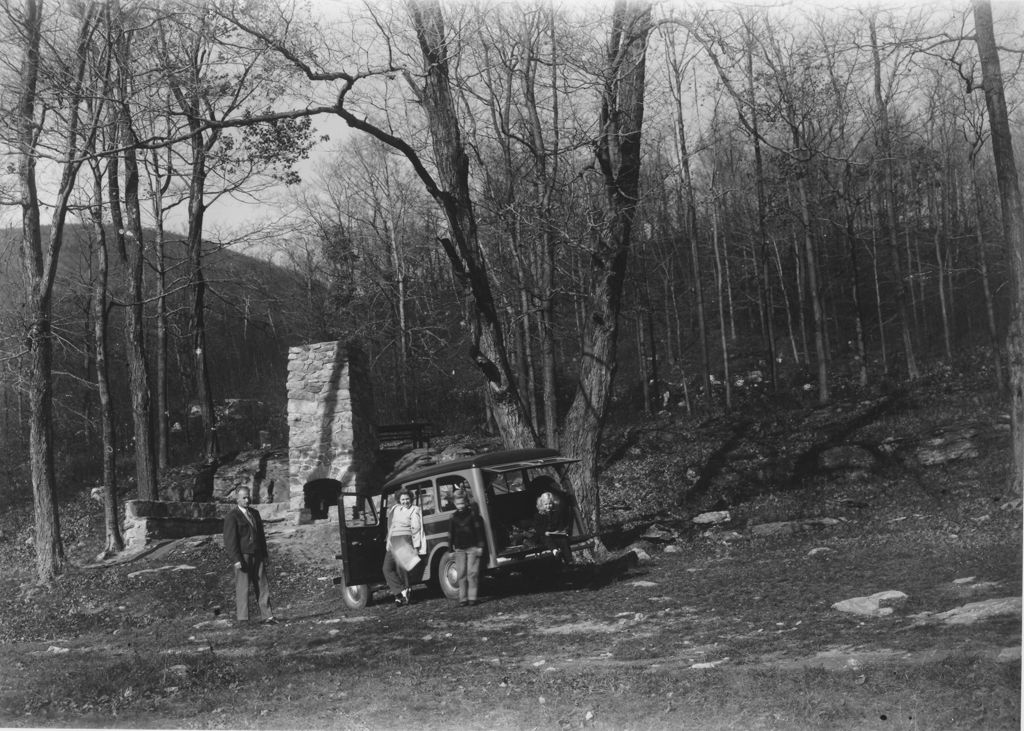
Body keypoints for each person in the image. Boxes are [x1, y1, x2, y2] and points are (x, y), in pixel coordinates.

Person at [223, 487, 277, 625]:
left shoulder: (255, 513)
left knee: (262, 585)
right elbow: (230, 541)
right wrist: (236, 559)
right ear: (237, 499)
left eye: (248, 497)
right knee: (243, 587)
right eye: (244, 498)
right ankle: (243, 619)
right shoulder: (232, 516)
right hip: (243, 556)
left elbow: (261, 537)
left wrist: (264, 554)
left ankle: (267, 616)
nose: (247, 500)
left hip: (257, 554)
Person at [382, 488, 425, 607]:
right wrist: (388, 540)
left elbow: (416, 529)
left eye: (407, 499)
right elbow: (392, 525)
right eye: (403, 499)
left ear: (411, 499)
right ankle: (400, 591)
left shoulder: (414, 510)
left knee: (402, 568)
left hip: (404, 539)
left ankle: (406, 594)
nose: (405, 501)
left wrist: (416, 546)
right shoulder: (395, 509)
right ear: (399, 500)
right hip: (393, 540)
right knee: (387, 568)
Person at [447, 490, 486, 606]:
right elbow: (450, 534)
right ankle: (463, 599)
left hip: (472, 548)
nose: (461, 506)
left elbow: (479, 530)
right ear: (454, 504)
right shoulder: (453, 517)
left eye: (463, 503)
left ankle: (472, 598)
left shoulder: (473, 515)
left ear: (466, 502)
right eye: (458, 504)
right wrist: (450, 549)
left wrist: (480, 546)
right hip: (459, 549)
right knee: (461, 573)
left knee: (472, 573)